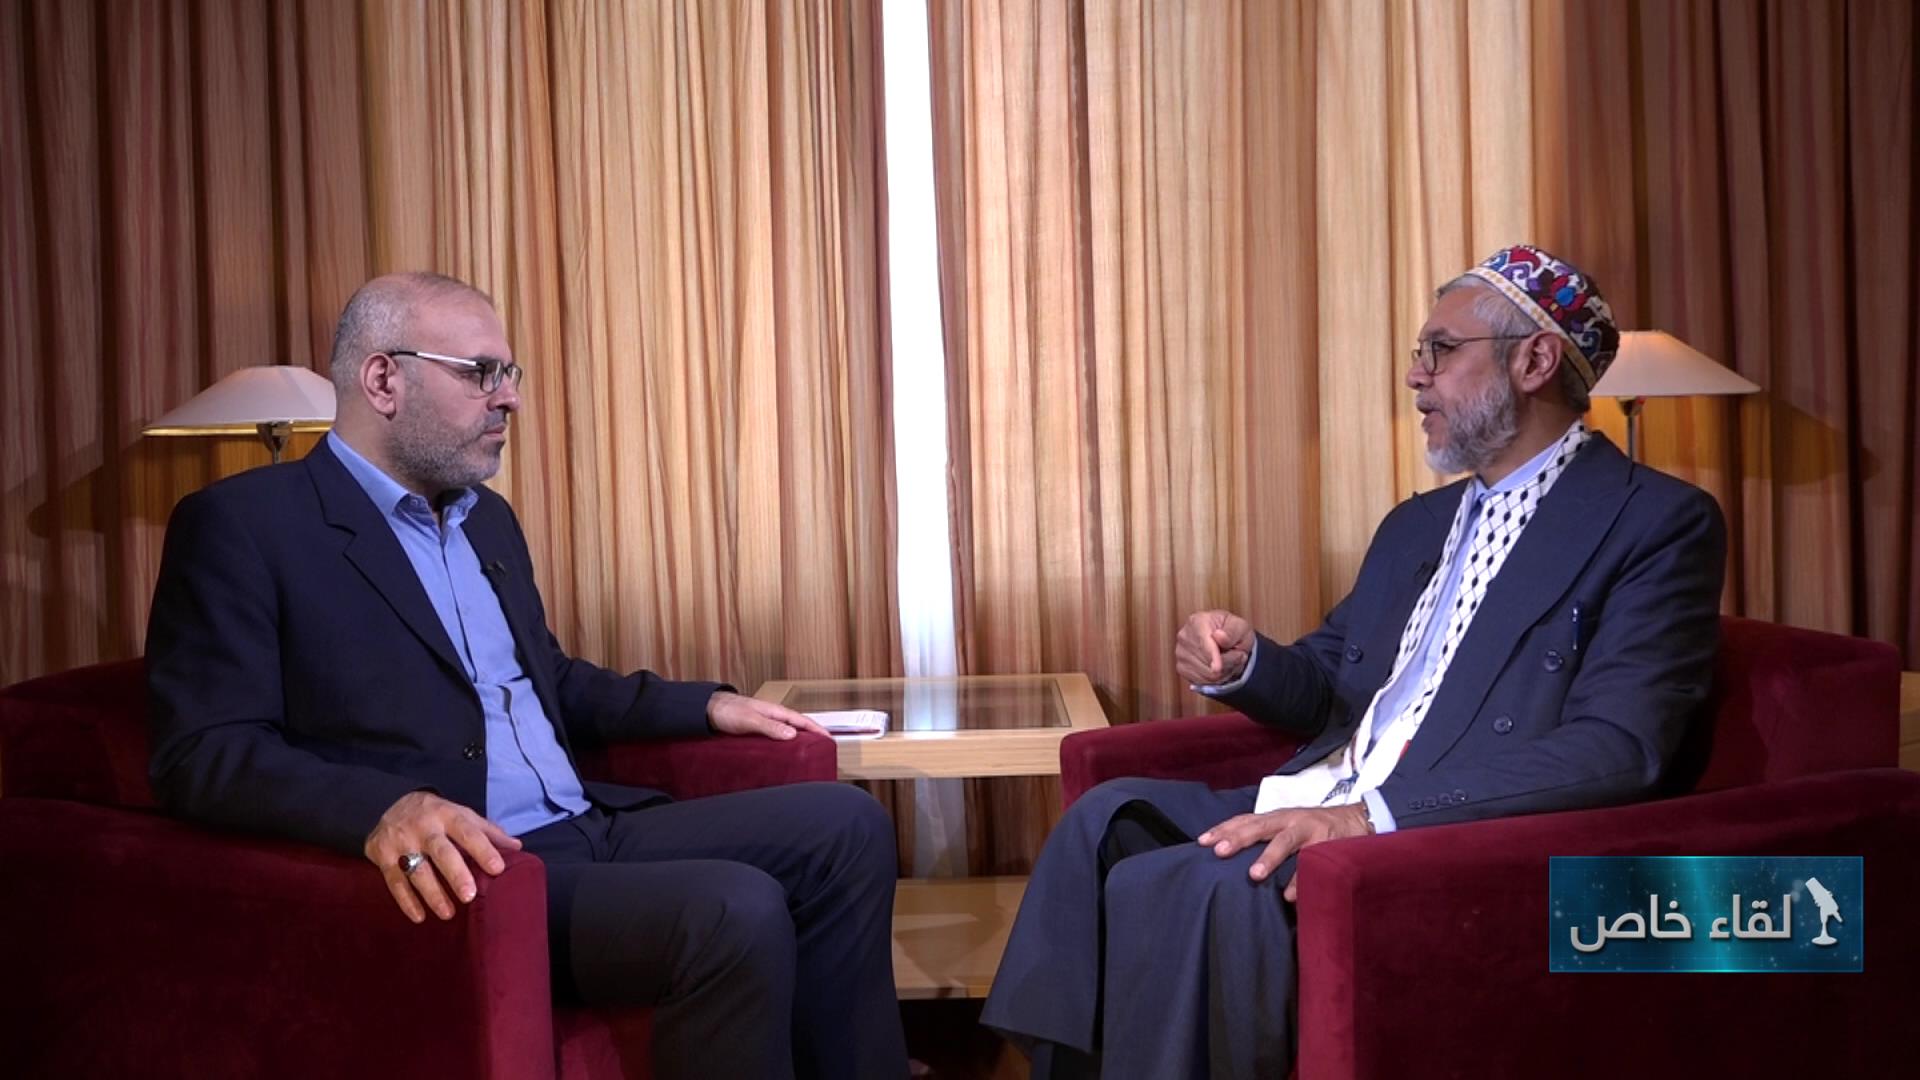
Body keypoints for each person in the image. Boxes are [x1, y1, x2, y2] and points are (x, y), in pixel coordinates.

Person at [981, 245, 1727, 1078]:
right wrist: (1245, 663)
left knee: (1205, 884)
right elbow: (1336, 682)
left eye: (1440, 349)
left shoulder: (1655, 522)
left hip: (1443, 828)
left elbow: (1620, 747)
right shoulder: (1418, 525)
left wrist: (1371, 817)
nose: (1415, 375)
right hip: (1329, 788)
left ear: (1534, 361)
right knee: (1107, 819)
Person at [146, 272, 909, 1080]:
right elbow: (203, 751)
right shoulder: (246, 525)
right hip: (478, 870)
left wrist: (707, 705)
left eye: (509, 374)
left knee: (847, 826)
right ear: (383, 380)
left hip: (586, 827)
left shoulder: (487, 520)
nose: (508, 398)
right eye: (482, 373)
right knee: (735, 910)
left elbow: (552, 680)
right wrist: (382, 809)